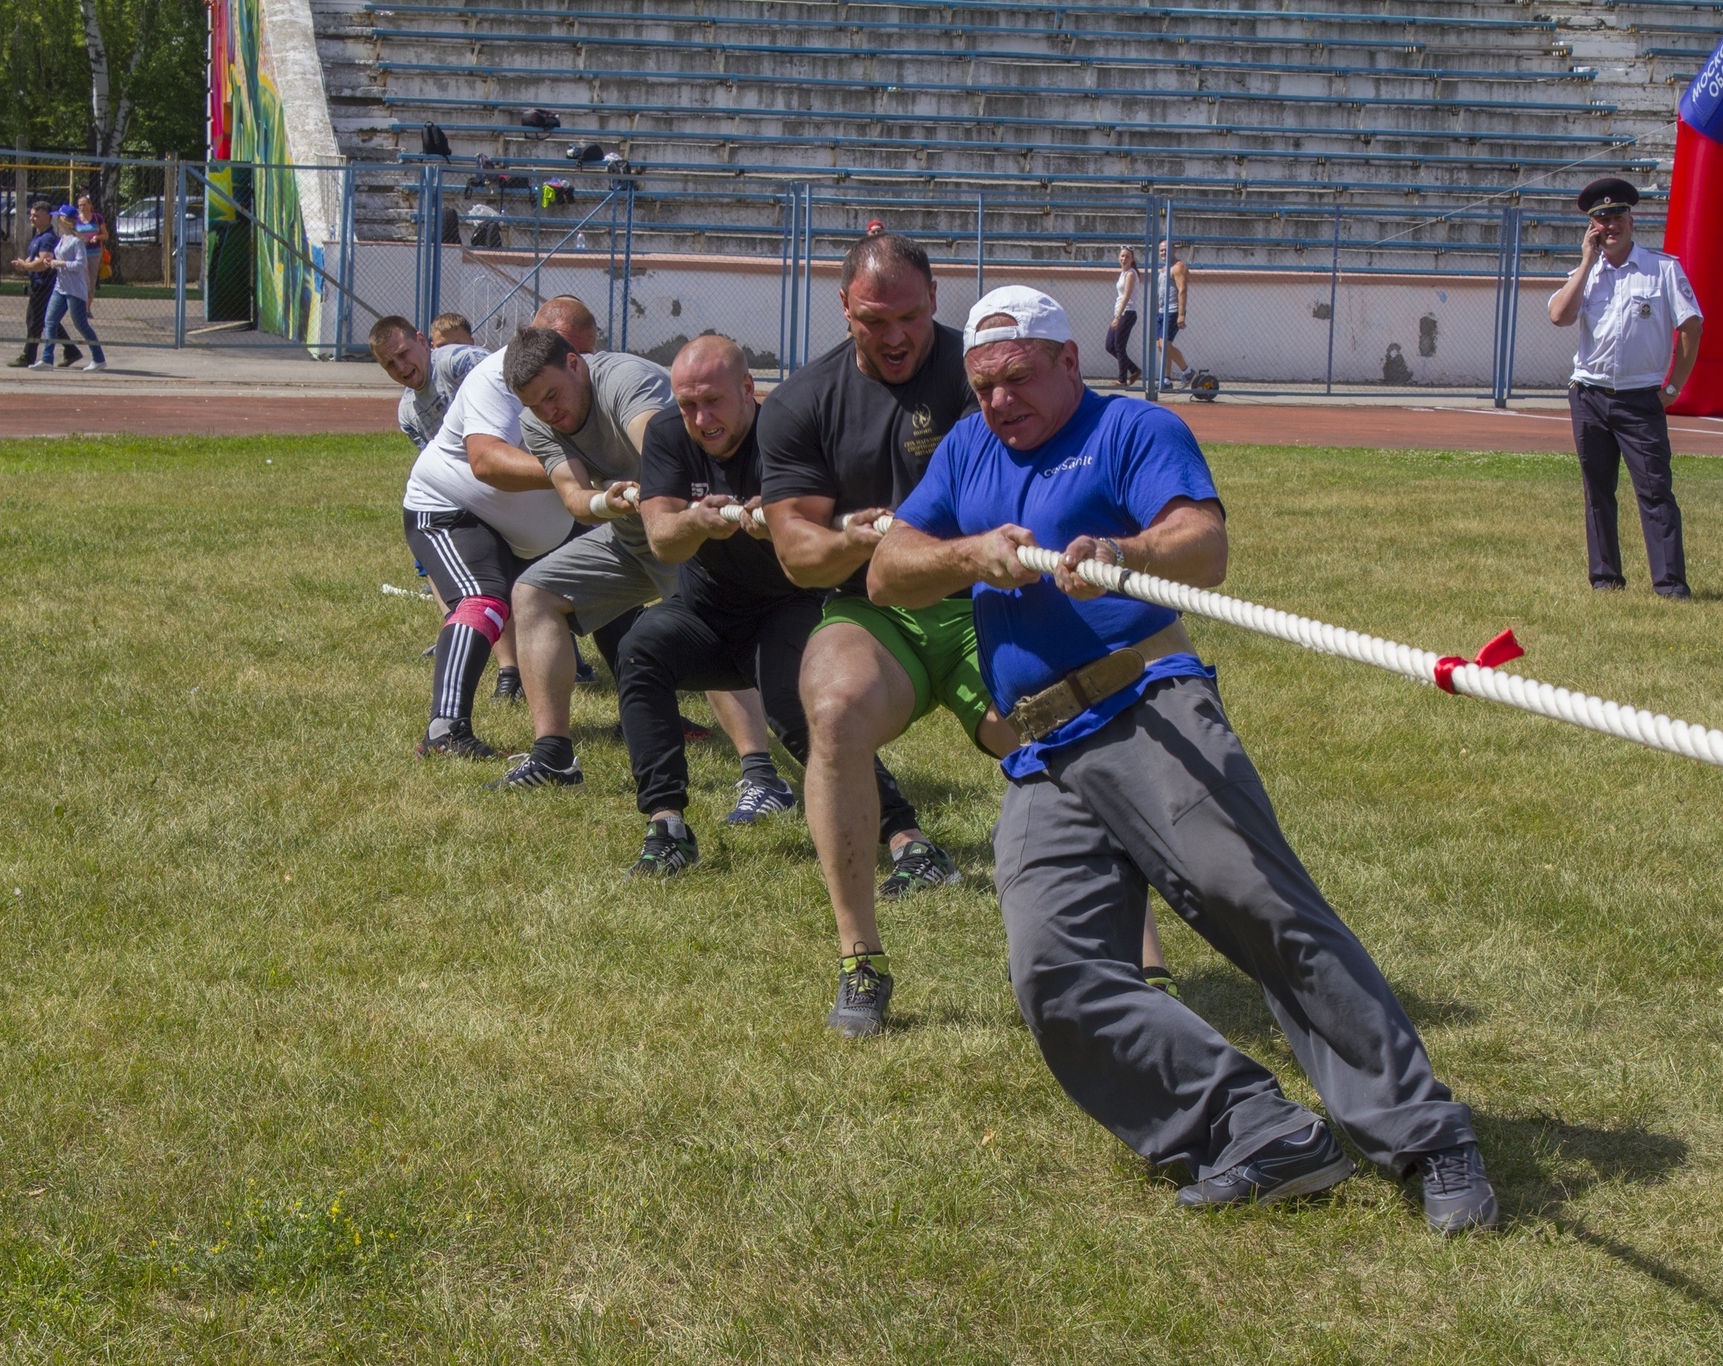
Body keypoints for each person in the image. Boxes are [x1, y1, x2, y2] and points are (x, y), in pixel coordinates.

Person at [870, 285, 1497, 1234]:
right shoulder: (968, 449)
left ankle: (1425, 1135)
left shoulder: (1131, 428)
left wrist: (1126, 549)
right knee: (1055, 972)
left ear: (1069, 362)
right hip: (1040, 750)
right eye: (984, 385)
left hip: (1148, 705)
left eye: (1017, 379)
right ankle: (1250, 1127)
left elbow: (1204, 546)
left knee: (1260, 909)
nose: (999, 401)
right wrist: (967, 557)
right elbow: (886, 569)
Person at [757, 233, 1016, 1037]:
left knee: (1064, 727)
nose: (896, 335)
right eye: (875, 319)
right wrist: (859, 542)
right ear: (844, 310)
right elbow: (798, 556)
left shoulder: (985, 376)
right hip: (873, 610)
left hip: (984, 602)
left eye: (910, 315)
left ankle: (1130, 961)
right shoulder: (803, 401)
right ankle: (860, 962)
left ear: (937, 300)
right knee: (830, 712)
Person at [615, 335, 929, 875]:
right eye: (688, 404)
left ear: (747, 388)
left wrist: (782, 526)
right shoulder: (668, 434)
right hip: (706, 615)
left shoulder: (786, 432)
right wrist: (694, 521)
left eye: (712, 401)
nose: (701, 418)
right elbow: (662, 538)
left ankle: (907, 838)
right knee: (640, 648)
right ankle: (666, 826)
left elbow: (827, 534)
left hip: (787, 608)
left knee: (797, 710)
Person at [492, 327, 775, 801]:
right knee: (533, 592)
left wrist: (662, 506)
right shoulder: (537, 421)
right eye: (536, 405)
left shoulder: (625, 380)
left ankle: (762, 775)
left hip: (684, 531)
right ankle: (554, 754)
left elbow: (664, 452)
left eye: (553, 396)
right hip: (626, 534)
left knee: (703, 623)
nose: (549, 412)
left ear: (575, 365)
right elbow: (574, 500)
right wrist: (608, 499)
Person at [371, 315, 565, 759]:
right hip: (451, 509)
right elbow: (469, 459)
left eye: (404, 354)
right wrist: (564, 472)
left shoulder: (460, 361)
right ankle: (446, 729)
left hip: (505, 512)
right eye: (390, 364)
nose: (401, 367)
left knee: (604, 565)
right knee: (481, 598)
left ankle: (649, 702)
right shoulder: (413, 408)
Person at [1547, 177, 1702, 600]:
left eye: (1616, 217)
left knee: (1655, 492)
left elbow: (1691, 326)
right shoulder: (1587, 275)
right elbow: (1560, 316)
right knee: (1597, 492)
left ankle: (1670, 586)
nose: (1609, 226)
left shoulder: (1662, 269)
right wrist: (1585, 261)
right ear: (1591, 227)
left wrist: (1673, 387)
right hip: (1590, 396)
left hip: (1640, 399)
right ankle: (1605, 579)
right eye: (1600, 219)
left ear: (1632, 220)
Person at [457, 295, 612, 701]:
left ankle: (642, 695)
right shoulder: (493, 377)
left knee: (615, 579)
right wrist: (570, 473)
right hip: (483, 507)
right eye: (568, 347)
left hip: (552, 507)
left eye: (584, 352)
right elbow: (487, 461)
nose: (577, 360)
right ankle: (509, 673)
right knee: (506, 589)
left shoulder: (588, 377)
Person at [8, 200, 80, 368]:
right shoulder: (38, 236)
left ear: (47, 217)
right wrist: (23, 263)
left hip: (44, 286)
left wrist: (26, 266)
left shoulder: (47, 238)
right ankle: (71, 351)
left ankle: (28, 356)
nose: (32, 218)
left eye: (36, 216)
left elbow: (42, 263)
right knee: (48, 320)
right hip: (38, 284)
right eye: (31, 215)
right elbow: (34, 259)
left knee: (34, 321)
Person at [32, 207, 105, 372]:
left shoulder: (77, 241)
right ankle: (47, 359)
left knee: (81, 325)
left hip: (75, 290)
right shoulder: (62, 238)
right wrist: (51, 261)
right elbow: (61, 259)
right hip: (61, 287)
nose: (56, 220)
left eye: (59, 217)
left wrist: (60, 263)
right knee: (50, 321)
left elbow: (81, 264)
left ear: (64, 220)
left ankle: (99, 359)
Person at [1157, 241, 1193, 389]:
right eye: (1161, 251)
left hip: (1172, 310)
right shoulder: (1163, 269)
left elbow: (1182, 290)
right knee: (1161, 345)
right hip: (1161, 311)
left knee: (1165, 343)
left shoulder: (1179, 267)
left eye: (1166, 250)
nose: (1163, 253)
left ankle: (1187, 371)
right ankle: (1166, 379)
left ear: (1173, 250)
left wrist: (1181, 314)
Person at [1106, 246, 1144, 386]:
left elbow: (1127, 296)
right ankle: (1134, 369)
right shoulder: (1123, 273)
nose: (1124, 259)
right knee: (1110, 345)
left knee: (1119, 346)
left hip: (1127, 313)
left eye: (1127, 256)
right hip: (1120, 312)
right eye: (1122, 256)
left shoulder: (1131, 274)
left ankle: (1122, 379)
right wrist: (1116, 315)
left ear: (1132, 259)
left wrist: (1118, 317)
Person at [75, 192, 109, 312]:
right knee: (84, 280)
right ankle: (81, 307)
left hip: (94, 253)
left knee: (92, 280)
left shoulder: (96, 218)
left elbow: (105, 235)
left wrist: (97, 237)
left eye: (84, 204)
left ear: (89, 205)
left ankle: (87, 308)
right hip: (80, 253)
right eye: (80, 205)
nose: (82, 207)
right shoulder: (75, 219)